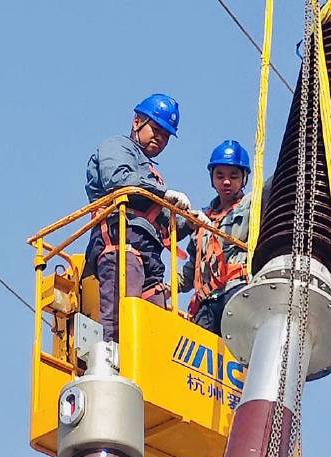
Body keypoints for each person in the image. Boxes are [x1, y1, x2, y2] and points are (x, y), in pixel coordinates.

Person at [85, 93, 192, 342]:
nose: (160, 138)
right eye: (156, 130)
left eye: (165, 135)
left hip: (150, 254)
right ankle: (113, 355)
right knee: (123, 310)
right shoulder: (117, 147)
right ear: (137, 122)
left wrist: (192, 222)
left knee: (154, 320)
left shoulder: (150, 173)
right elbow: (117, 179)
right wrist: (163, 193)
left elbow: (166, 223)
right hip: (121, 240)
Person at [179, 140, 252, 336]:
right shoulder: (203, 217)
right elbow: (194, 266)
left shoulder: (252, 206)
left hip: (235, 290)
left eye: (233, 176)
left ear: (244, 178)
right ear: (212, 178)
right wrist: (170, 287)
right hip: (206, 302)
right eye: (220, 176)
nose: (226, 182)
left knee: (237, 347)